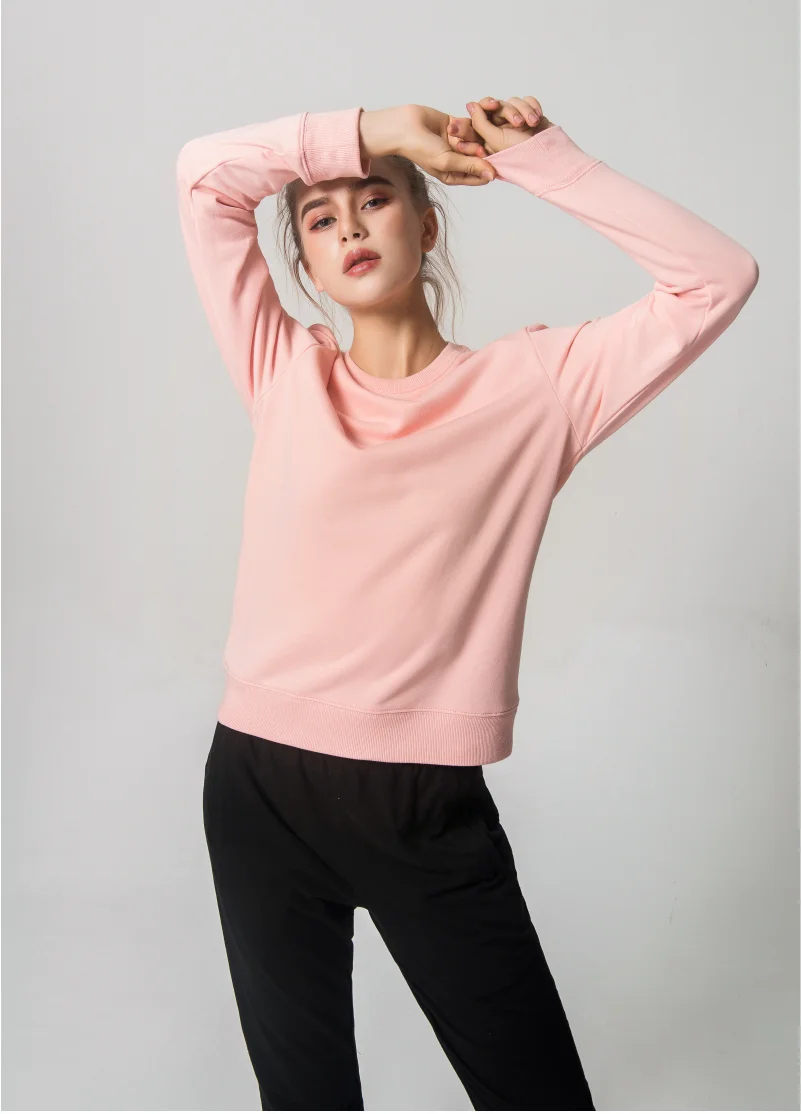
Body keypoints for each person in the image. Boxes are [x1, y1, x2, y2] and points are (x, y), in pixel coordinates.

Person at [175, 97, 758, 1110]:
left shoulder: (537, 389)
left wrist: (540, 160)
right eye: (320, 219)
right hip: (257, 787)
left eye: (375, 200)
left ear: (428, 223)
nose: (350, 227)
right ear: (306, 265)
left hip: (422, 807)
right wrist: (375, 133)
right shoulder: (284, 372)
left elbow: (717, 277)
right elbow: (204, 176)